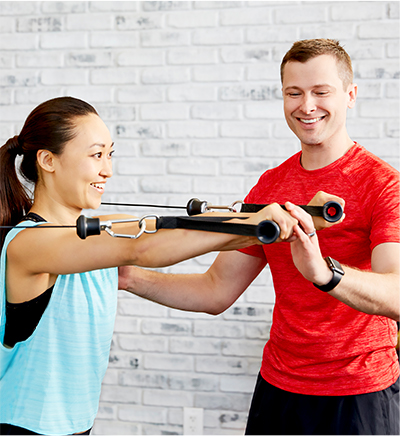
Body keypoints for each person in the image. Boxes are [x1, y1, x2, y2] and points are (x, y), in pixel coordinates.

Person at [118, 39, 400, 435]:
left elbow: (397, 294)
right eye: (294, 93)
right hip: (279, 388)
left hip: (358, 393)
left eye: (321, 92)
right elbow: (215, 290)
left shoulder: (382, 184)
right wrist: (128, 278)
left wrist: (324, 272)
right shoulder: (270, 187)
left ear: (350, 95)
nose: (307, 106)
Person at [0, 96, 306, 435]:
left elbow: (162, 231)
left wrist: (295, 221)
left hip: (76, 427)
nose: (108, 170)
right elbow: (143, 248)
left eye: (110, 154)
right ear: (48, 160)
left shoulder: (99, 232)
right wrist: (253, 224)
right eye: (96, 155)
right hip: (22, 426)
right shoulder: (28, 244)